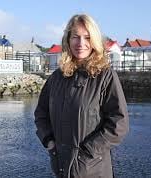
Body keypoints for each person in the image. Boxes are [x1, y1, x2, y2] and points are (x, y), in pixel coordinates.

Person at [34, 14, 129, 178]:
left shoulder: (105, 77)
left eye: (87, 37)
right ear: (68, 40)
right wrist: (49, 142)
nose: (81, 43)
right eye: (75, 37)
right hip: (61, 168)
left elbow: (119, 123)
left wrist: (86, 153)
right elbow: (41, 114)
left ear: (94, 41)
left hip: (93, 170)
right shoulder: (56, 78)